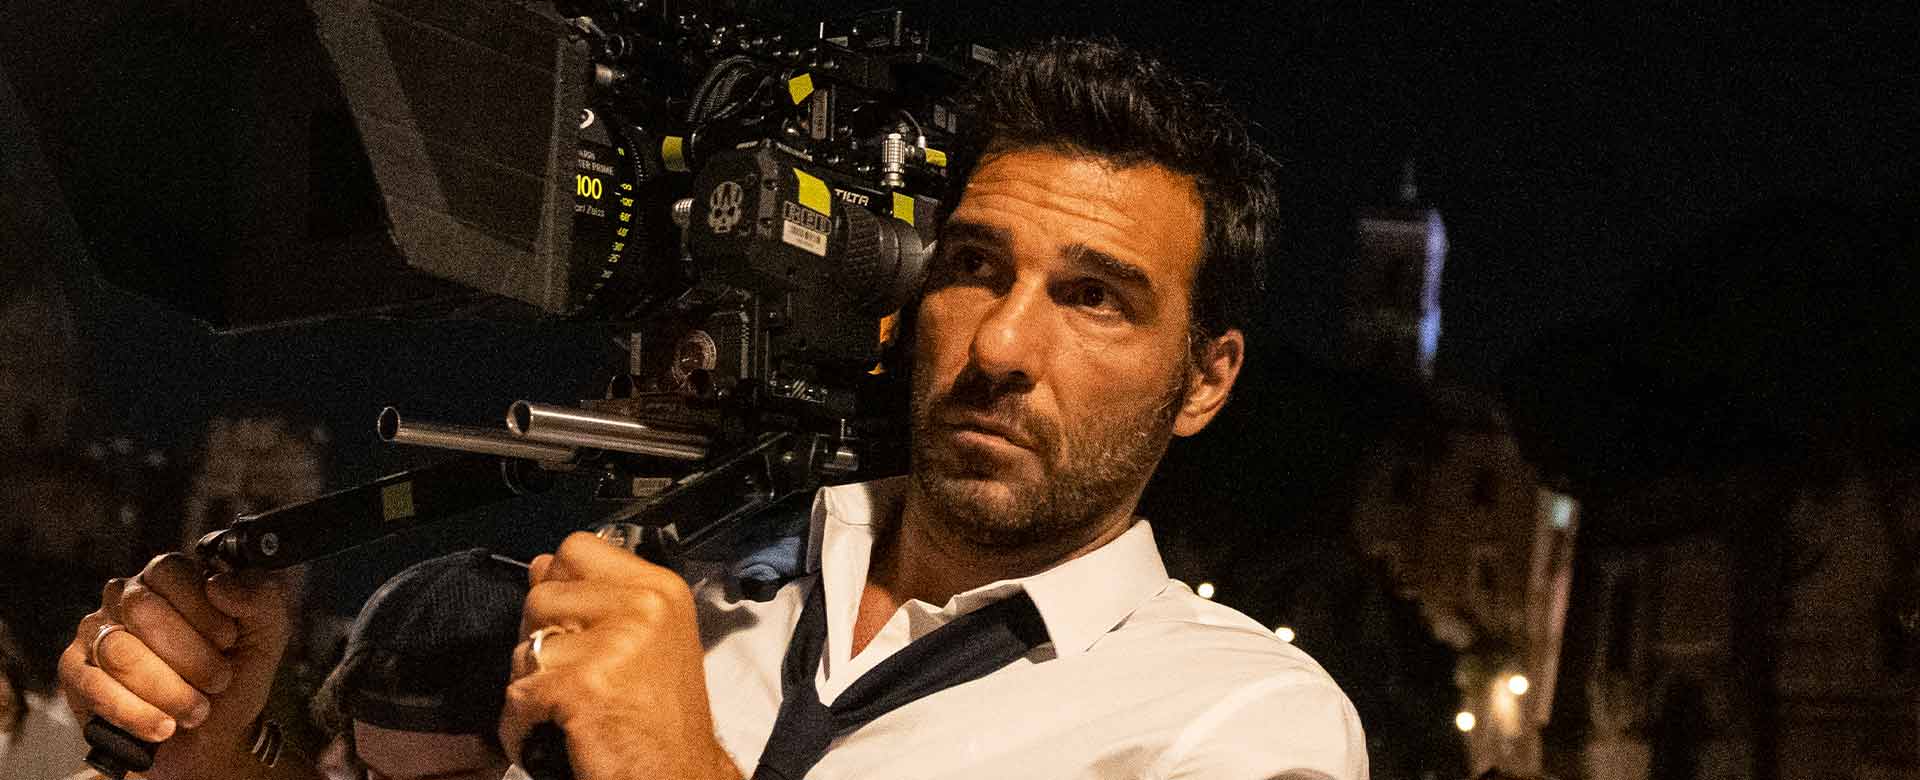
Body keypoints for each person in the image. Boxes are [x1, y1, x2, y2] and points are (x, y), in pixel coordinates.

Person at [58, 36, 1366, 780]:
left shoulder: (1244, 723)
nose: (1003, 343)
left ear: (1207, 377)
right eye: (974, 267)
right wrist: (211, 756)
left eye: (1095, 299)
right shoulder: (677, 594)